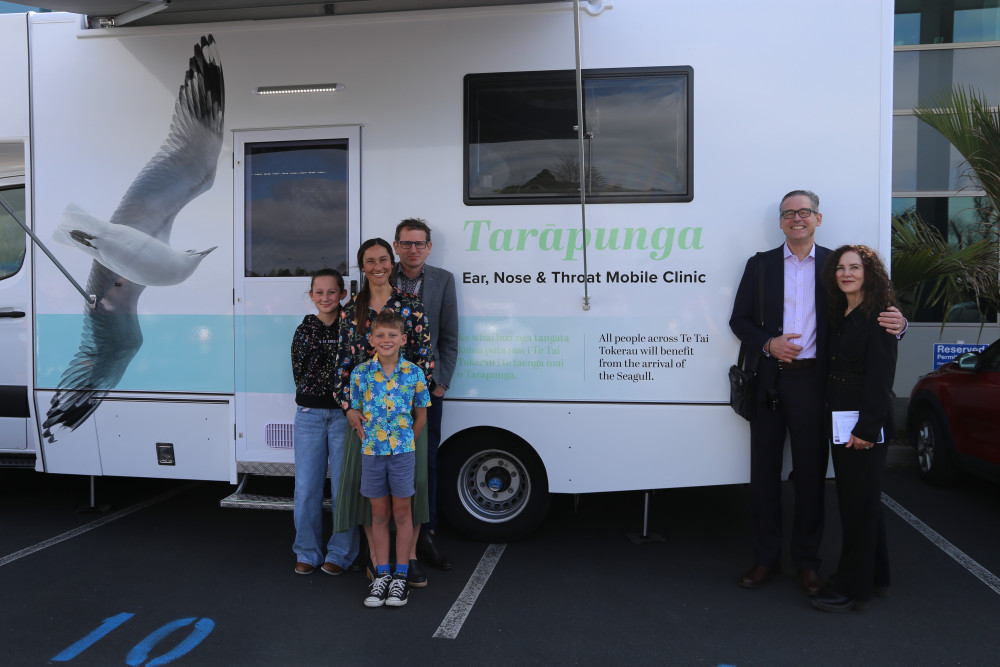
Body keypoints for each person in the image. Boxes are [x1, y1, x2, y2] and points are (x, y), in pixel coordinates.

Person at [729, 190, 906, 597]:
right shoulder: (759, 266)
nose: (797, 218)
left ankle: (807, 563)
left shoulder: (834, 265)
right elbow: (738, 320)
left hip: (815, 385)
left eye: (804, 212)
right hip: (769, 382)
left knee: (810, 477)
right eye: (789, 213)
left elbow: (869, 310)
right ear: (780, 222)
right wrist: (768, 343)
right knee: (764, 476)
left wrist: (901, 323)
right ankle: (764, 559)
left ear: (818, 218)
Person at [332, 238, 434, 589]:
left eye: (383, 259)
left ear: (392, 263)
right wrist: (349, 409)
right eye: (370, 260)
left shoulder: (411, 304)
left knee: (412, 489)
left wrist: (411, 410)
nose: (377, 266)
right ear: (362, 266)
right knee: (371, 496)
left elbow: (425, 360)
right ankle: (378, 563)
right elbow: (342, 367)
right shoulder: (351, 310)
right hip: (365, 421)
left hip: (406, 422)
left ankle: (411, 561)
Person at [811, 245, 897, 612]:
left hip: (863, 426)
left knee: (856, 507)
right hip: (840, 420)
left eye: (855, 267)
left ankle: (850, 587)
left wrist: (866, 428)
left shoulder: (881, 317)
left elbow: (881, 380)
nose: (846, 273)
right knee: (863, 503)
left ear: (869, 273)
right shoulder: (841, 313)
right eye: (840, 268)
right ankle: (878, 576)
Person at [353, 311, 431, 608]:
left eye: (392, 335)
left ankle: (400, 577)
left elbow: (421, 414)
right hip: (372, 453)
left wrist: (407, 441)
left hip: (402, 454)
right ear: (371, 339)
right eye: (380, 335)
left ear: (403, 339)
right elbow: (356, 409)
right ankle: (382, 575)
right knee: (379, 515)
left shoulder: (413, 373)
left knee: (402, 513)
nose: (386, 340)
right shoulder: (361, 373)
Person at [393, 218, 458, 572]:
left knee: (426, 461)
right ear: (396, 246)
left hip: (426, 390)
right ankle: (390, 538)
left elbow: (449, 338)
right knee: (387, 461)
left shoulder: (443, 280)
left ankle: (426, 534)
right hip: (384, 391)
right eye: (407, 243)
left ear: (429, 247)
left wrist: (441, 383)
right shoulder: (382, 278)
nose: (413, 249)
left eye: (419, 243)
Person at [290, 268, 359, 576]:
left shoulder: (353, 328)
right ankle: (307, 551)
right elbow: (299, 372)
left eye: (332, 292)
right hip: (309, 416)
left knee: (344, 487)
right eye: (319, 292)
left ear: (342, 294)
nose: (326, 297)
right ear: (311, 296)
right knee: (307, 487)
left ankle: (341, 553)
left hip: (345, 417)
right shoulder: (304, 331)